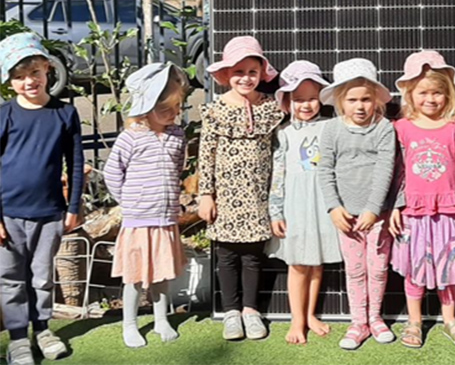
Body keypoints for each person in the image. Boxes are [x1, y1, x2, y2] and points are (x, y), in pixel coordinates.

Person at [0, 32, 84, 365]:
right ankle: (18, 339)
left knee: (42, 277)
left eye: (34, 72)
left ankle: (43, 330)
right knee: (10, 279)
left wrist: (73, 206)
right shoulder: (4, 114)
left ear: (47, 69)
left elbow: (75, 162)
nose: (28, 81)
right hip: (8, 216)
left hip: (50, 213)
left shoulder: (65, 114)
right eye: (19, 76)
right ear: (10, 82)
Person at [389, 50, 455, 348]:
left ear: (449, 94)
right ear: (410, 95)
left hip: (449, 212)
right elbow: (398, 172)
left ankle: (450, 319)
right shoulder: (401, 129)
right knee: (415, 268)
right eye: (424, 92)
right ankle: (414, 321)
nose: (431, 98)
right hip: (413, 213)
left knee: (448, 269)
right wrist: (395, 206)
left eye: (438, 92)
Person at [197, 36, 283, 341]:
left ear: (261, 73)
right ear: (226, 75)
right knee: (227, 254)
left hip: (257, 194)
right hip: (226, 195)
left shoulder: (271, 108)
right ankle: (231, 310)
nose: (245, 78)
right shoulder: (215, 110)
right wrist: (206, 194)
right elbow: (205, 154)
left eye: (251, 71)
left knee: (252, 255)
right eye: (238, 72)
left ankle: (250, 309)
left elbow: (278, 150)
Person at [104, 62, 189, 348]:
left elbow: (177, 168)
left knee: (162, 273)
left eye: (176, 107)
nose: (173, 114)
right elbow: (113, 172)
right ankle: (129, 323)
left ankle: (161, 318)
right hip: (138, 221)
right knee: (136, 275)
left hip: (165, 219)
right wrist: (129, 201)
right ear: (147, 106)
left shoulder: (177, 136)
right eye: (166, 108)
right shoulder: (131, 137)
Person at [317, 58, 396, 350]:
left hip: (375, 216)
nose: (360, 106)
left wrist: (373, 209)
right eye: (352, 100)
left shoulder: (384, 128)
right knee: (354, 270)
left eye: (366, 99)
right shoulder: (332, 130)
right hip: (345, 218)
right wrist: (334, 207)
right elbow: (324, 170)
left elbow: (385, 170)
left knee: (377, 268)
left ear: (375, 99)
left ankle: (376, 318)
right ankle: (358, 322)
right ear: (340, 101)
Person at [267, 60, 341, 345]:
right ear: (287, 101)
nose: (306, 105)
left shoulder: (331, 127)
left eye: (311, 98)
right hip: (295, 206)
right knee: (298, 264)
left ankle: (310, 315)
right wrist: (275, 211)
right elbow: (277, 175)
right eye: (298, 100)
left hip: (323, 204)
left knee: (316, 264)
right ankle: (296, 319)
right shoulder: (283, 133)